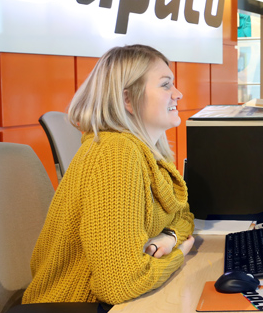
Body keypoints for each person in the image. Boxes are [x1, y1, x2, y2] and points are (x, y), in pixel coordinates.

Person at [23, 45, 195, 305]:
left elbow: (183, 215)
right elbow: (121, 285)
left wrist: (168, 239)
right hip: (77, 305)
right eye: (165, 85)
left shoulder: (145, 151)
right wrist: (181, 252)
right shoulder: (115, 154)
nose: (178, 94)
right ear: (127, 99)